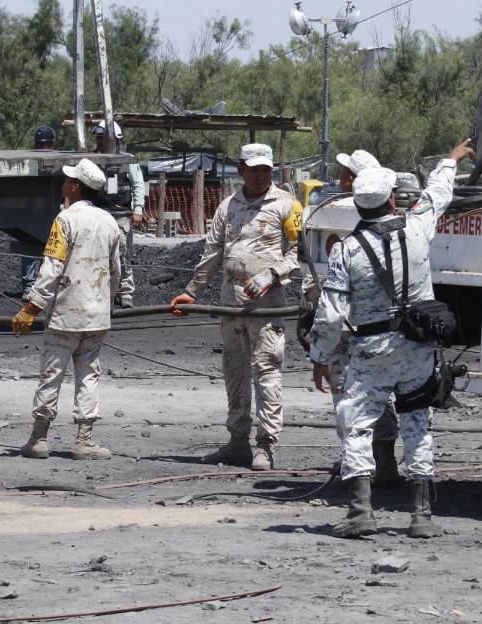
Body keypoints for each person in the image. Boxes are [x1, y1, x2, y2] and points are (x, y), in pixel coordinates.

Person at [309, 138, 473, 539]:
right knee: (417, 423)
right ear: (390, 201)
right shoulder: (417, 227)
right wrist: (450, 159)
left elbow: (331, 314)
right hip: (417, 348)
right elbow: (437, 194)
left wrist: (319, 356)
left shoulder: (345, 251)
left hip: (371, 353)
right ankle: (421, 517)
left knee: (357, 423)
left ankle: (361, 511)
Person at [169, 143, 303, 471]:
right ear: (241, 170)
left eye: (266, 170)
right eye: (254, 169)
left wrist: (272, 275)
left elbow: (300, 254)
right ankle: (238, 441)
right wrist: (192, 292)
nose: (260, 175)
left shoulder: (287, 205)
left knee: (266, 372)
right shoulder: (227, 207)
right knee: (234, 373)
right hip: (231, 307)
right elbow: (213, 252)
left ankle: (265, 445)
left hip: (266, 309)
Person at [300, 148, 401, 487]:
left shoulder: (342, 226)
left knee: (349, 400)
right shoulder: (400, 230)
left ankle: (360, 475)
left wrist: (320, 353)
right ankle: (383, 464)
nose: (341, 179)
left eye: (348, 174)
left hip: (348, 332)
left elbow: (331, 304)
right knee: (379, 397)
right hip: (384, 333)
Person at [15, 157, 121, 460]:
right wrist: (106, 304)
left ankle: (39, 438)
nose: (63, 184)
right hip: (97, 314)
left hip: (65, 314)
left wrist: (33, 306)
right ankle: (84, 440)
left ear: (75, 187)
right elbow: (115, 270)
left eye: (67, 180)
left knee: (52, 373)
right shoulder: (110, 222)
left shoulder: (64, 220)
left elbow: (52, 267)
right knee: (88, 374)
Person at [92, 121, 145, 307]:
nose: (99, 142)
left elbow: (138, 183)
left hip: (122, 214)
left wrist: (138, 209)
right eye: (97, 138)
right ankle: (103, 292)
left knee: (124, 254)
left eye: (102, 138)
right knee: (99, 255)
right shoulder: (91, 159)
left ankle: (126, 293)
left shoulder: (127, 159)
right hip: (99, 214)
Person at [20, 125, 57, 297]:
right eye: (40, 145)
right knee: (29, 246)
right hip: (31, 209)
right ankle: (28, 285)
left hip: (52, 210)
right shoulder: (28, 161)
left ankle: (44, 284)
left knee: (51, 249)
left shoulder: (58, 161)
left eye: (46, 145)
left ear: (52, 145)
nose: (43, 148)